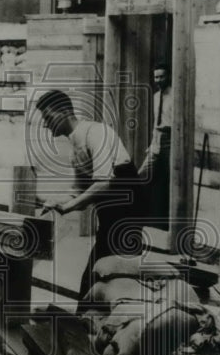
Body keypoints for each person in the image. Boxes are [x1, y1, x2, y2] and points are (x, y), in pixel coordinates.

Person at [35, 89, 142, 301]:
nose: (46, 124)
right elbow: (77, 191)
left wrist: (70, 206)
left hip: (128, 213)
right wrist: (56, 201)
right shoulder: (75, 145)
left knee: (111, 272)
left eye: (48, 117)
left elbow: (103, 184)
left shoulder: (96, 132)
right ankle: (91, 319)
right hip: (109, 218)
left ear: (64, 111)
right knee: (97, 274)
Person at [138, 63, 172, 230]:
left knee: (169, 181)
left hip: (171, 141)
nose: (158, 80)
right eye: (156, 77)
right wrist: (152, 143)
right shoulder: (156, 96)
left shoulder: (175, 95)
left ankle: (167, 223)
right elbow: (155, 122)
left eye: (162, 76)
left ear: (169, 77)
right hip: (157, 141)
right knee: (142, 176)